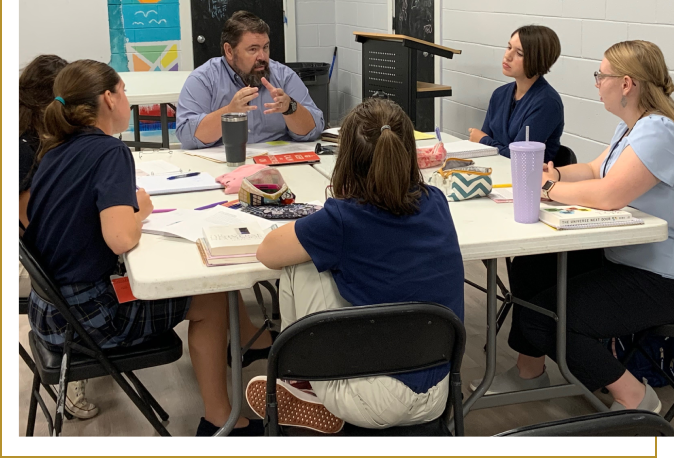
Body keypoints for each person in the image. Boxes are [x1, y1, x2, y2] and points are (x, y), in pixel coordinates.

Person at [24, 60, 263, 437]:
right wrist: (142, 210)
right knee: (213, 297)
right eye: (123, 91)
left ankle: (229, 392)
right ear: (109, 97)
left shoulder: (56, 150)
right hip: (84, 318)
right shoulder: (109, 152)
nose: (127, 99)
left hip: (48, 313)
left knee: (198, 287)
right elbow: (120, 238)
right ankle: (222, 421)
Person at [470, 41, 674, 414]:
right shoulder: (632, 128)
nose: (597, 82)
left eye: (602, 75)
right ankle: (529, 373)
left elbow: (610, 193)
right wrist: (557, 172)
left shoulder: (658, 132)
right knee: (532, 265)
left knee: (544, 316)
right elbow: (597, 169)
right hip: (622, 256)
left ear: (626, 84)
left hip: (658, 275)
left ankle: (637, 398)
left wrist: (547, 187)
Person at [246, 98, 465, 432]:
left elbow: (267, 252)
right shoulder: (436, 201)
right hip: (442, 391)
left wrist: (319, 222)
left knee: (301, 262)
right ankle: (313, 384)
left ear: (345, 159)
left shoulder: (341, 221)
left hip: (374, 401)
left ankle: (302, 380)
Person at [18, 54, 101, 420]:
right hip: (51, 270)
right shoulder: (25, 147)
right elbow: (32, 223)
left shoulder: (36, 134)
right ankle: (81, 361)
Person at [176, 10, 325, 149]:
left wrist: (290, 107)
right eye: (253, 49)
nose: (262, 57)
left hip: (276, 161)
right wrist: (230, 111)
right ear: (229, 51)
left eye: (265, 47)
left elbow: (315, 129)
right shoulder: (204, 79)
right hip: (224, 163)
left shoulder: (283, 76)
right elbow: (186, 136)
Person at [468, 25, 564, 163]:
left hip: (529, 180)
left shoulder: (547, 102)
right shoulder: (499, 94)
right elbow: (481, 148)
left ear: (537, 60)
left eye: (519, 53)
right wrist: (483, 141)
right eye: (509, 47)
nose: (508, 56)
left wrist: (483, 140)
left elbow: (520, 158)